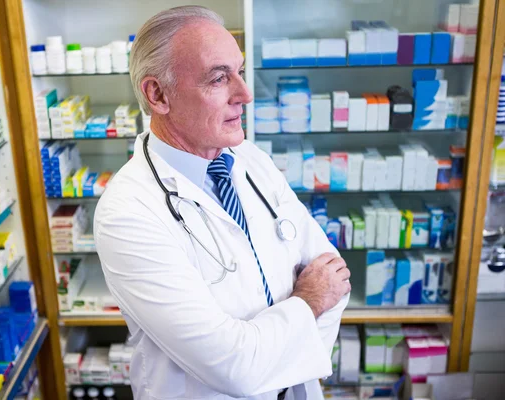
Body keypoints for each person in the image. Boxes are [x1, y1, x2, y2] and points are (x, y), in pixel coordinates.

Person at [94, 6, 351, 400]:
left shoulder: (250, 158)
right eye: (218, 78)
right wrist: (308, 301)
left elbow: (334, 277)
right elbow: (234, 367)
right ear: (157, 94)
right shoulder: (128, 212)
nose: (245, 94)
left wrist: (278, 353)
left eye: (240, 71)